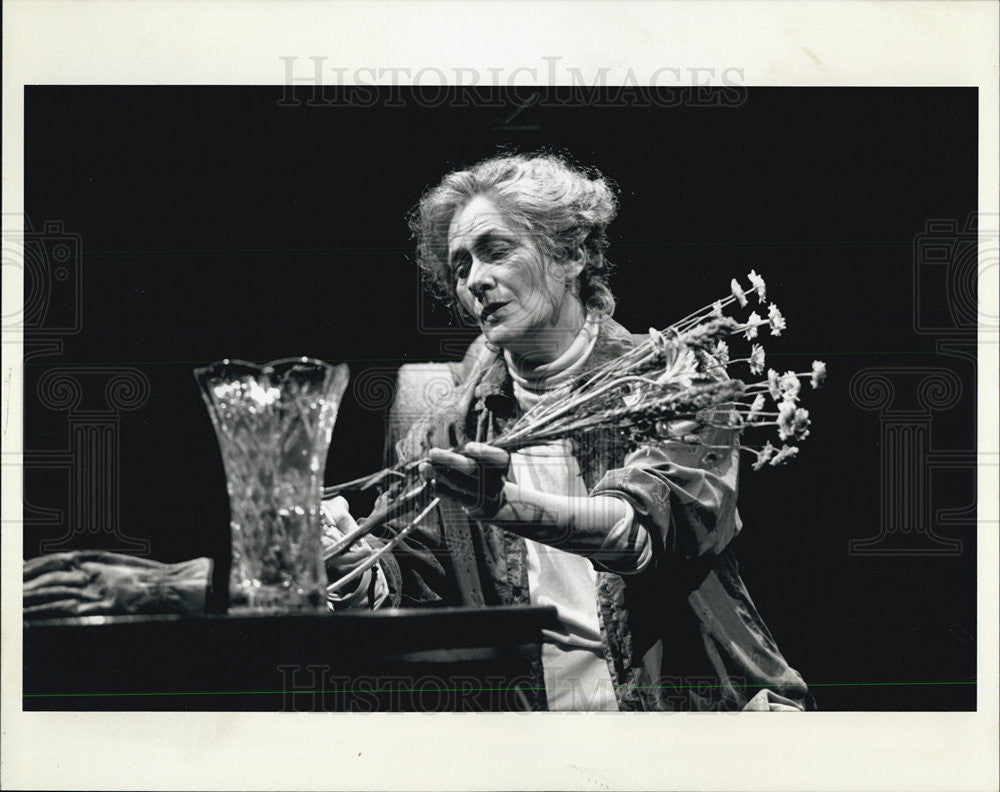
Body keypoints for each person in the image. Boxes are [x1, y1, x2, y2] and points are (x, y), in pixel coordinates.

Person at [322, 152, 812, 712]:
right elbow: (408, 582)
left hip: (691, 715)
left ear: (572, 254)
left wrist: (500, 504)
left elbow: (638, 533)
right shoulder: (452, 429)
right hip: (538, 734)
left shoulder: (672, 379)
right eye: (460, 267)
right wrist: (344, 557)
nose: (475, 281)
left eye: (496, 251)